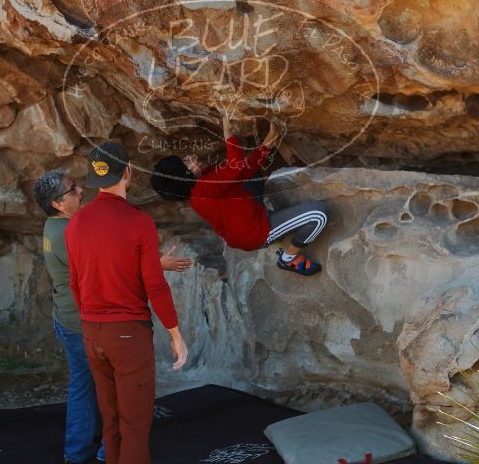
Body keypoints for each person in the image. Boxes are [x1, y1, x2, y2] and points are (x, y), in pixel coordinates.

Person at [34, 170, 190, 464]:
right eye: (72, 189)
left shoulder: (54, 228)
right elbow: (110, 262)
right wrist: (160, 263)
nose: (80, 190)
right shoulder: (70, 231)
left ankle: (78, 452)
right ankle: (109, 452)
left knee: (86, 386)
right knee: (115, 395)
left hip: (70, 320)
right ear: (57, 203)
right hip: (83, 323)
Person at [150, 112, 329, 275]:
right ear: (185, 175)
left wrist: (268, 141)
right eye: (185, 162)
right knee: (318, 214)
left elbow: (243, 170)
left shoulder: (202, 182)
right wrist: (227, 131)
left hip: (248, 218)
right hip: (257, 233)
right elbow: (234, 163)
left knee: (250, 175)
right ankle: (288, 259)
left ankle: (284, 218)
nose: (190, 158)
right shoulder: (203, 189)